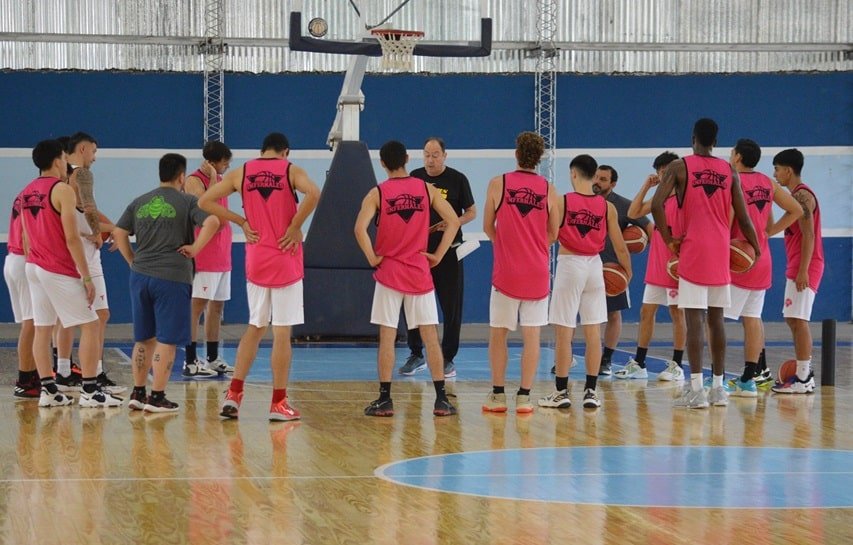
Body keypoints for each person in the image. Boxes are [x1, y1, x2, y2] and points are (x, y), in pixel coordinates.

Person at [199, 132, 320, 421]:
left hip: (257, 258)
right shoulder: (291, 170)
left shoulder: (243, 172)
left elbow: (205, 201)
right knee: (282, 332)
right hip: (285, 257)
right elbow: (315, 193)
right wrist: (295, 226)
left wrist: (241, 221)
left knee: (254, 327)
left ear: (262, 150)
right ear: (285, 151)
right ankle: (278, 403)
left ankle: (234, 394)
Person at [651, 118, 759, 409]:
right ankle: (719, 388)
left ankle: (697, 389)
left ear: (693, 138)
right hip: (720, 250)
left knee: (694, 319)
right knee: (716, 319)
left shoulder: (679, 166)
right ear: (716, 141)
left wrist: (668, 239)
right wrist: (757, 248)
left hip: (694, 249)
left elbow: (656, 204)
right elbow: (743, 216)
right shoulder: (729, 170)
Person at [354, 140, 460, 417]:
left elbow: (359, 229)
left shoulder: (377, 192)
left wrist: (371, 257)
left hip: (389, 272)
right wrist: (438, 254)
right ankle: (441, 399)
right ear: (408, 159)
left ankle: (385, 399)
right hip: (418, 271)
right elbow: (454, 221)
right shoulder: (426, 188)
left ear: (382, 163)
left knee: (387, 337)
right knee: (430, 337)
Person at [113, 153, 220, 413]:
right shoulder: (187, 201)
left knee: (143, 338)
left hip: (140, 276)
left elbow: (119, 232)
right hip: (172, 277)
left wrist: (131, 260)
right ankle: (157, 396)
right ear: (182, 176)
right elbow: (213, 221)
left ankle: (138, 392)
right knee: (167, 339)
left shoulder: (139, 201)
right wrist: (195, 248)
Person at [20, 139, 121, 408]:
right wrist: (86, 277)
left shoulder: (26, 191)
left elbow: (26, 236)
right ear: (57, 161)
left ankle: (49, 390)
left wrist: (34, 262)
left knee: (43, 328)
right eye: (65, 159)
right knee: (90, 324)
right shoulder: (62, 190)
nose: (67, 164)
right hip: (56, 267)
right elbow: (72, 237)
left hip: (33, 266)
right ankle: (90, 390)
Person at [539, 154, 631, 409]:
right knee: (593, 333)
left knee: (564, 333)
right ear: (593, 175)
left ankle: (561, 392)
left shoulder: (562, 201)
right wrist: (627, 272)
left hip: (570, 265)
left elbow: (550, 237)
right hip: (595, 267)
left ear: (573, 174)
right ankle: (591, 391)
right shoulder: (607, 207)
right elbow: (620, 246)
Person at [482, 131, 559, 414]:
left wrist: (504, 245)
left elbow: (488, 226)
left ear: (516, 154)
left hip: (507, 272)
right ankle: (524, 397)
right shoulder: (549, 189)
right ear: (538, 158)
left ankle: (498, 395)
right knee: (532, 336)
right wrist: (534, 248)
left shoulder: (498, 183)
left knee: (498, 334)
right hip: (537, 272)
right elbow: (553, 233)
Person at [725, 139, 802, 396]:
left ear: (737, 157)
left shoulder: (733, 181)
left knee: (715, 320)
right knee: (752, 319)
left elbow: (727, 222)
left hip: (738, 258)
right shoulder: (767, 182)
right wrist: (769, 232)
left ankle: (716, 378)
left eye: (732, 152)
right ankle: (749, 379)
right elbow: (796, 209)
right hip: (761, 258)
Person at [398, 137, 476, 379]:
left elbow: (471, 212)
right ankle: (416, 354)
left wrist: (452, 222)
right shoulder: (415, 177)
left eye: (435, 155)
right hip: (420, 252)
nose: (430, 160)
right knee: (413, 303)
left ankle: (447, 358)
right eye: (426, 155)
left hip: (449, 252)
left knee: (451, 307)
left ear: (444, 156)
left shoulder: (458, 179)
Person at [55, 132, 125, 395]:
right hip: (83, 252)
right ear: (82, 149)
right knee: (98, 316)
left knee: (66, 319)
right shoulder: (81, 174)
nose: (95, 157)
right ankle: (93, 376)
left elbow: (85, 209)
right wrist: (100, 230)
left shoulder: (60, 178)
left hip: (66, 252)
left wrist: (111, 226)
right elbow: (89, 208)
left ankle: (64, 372)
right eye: (94, 151)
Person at [618, 151, 686, 381]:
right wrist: (646, 186)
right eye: (661, 171)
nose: (664, 175)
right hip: (657, 263)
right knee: (646, 312)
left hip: (676, 263)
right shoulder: (660, 197)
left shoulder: (685, 196)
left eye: (667, 171)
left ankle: (677, 365)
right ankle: (639, 363)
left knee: (677, 312)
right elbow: (633, 212)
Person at [770, 148, 824, 394]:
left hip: (806, 264)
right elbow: (775, 228)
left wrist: (803, 271)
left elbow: (809, 235)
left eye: (777, 169)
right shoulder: (794, 197)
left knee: (799, 320)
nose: (775, 174)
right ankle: (804, 374)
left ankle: (803, 377)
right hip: (798, 262)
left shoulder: (803, 196)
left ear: (788, 170)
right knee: (792, 319)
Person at [593, 165, 652, 376]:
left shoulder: (623, 205)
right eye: (596, 177)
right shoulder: (585, 200)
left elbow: (649, 228)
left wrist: (644, 244)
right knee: (580, 315)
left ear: (613, 184)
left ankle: (606, 359)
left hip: (613, 269)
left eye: (603, 179)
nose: (597, 181)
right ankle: (568, 357)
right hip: (587, 266)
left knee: (613, 314)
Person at [183, 141, 235, 378]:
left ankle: (213, 358)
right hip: (205, 254)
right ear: (212, 163)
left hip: (222, 253)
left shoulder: (223, 181)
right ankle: (190, 361)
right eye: (224, 163)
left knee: (217, 307)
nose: (227, 166)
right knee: (196, 307)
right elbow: (205, 209)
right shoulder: (194, 181)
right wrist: (213, 178)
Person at [4, 190, 38, 398]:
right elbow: (27, 234)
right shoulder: (42, 196)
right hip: (23, 259)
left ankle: (32, 376)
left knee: (31, 323)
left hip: (12, 259)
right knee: (31, 323)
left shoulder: (23, 194)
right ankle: (25, 380)